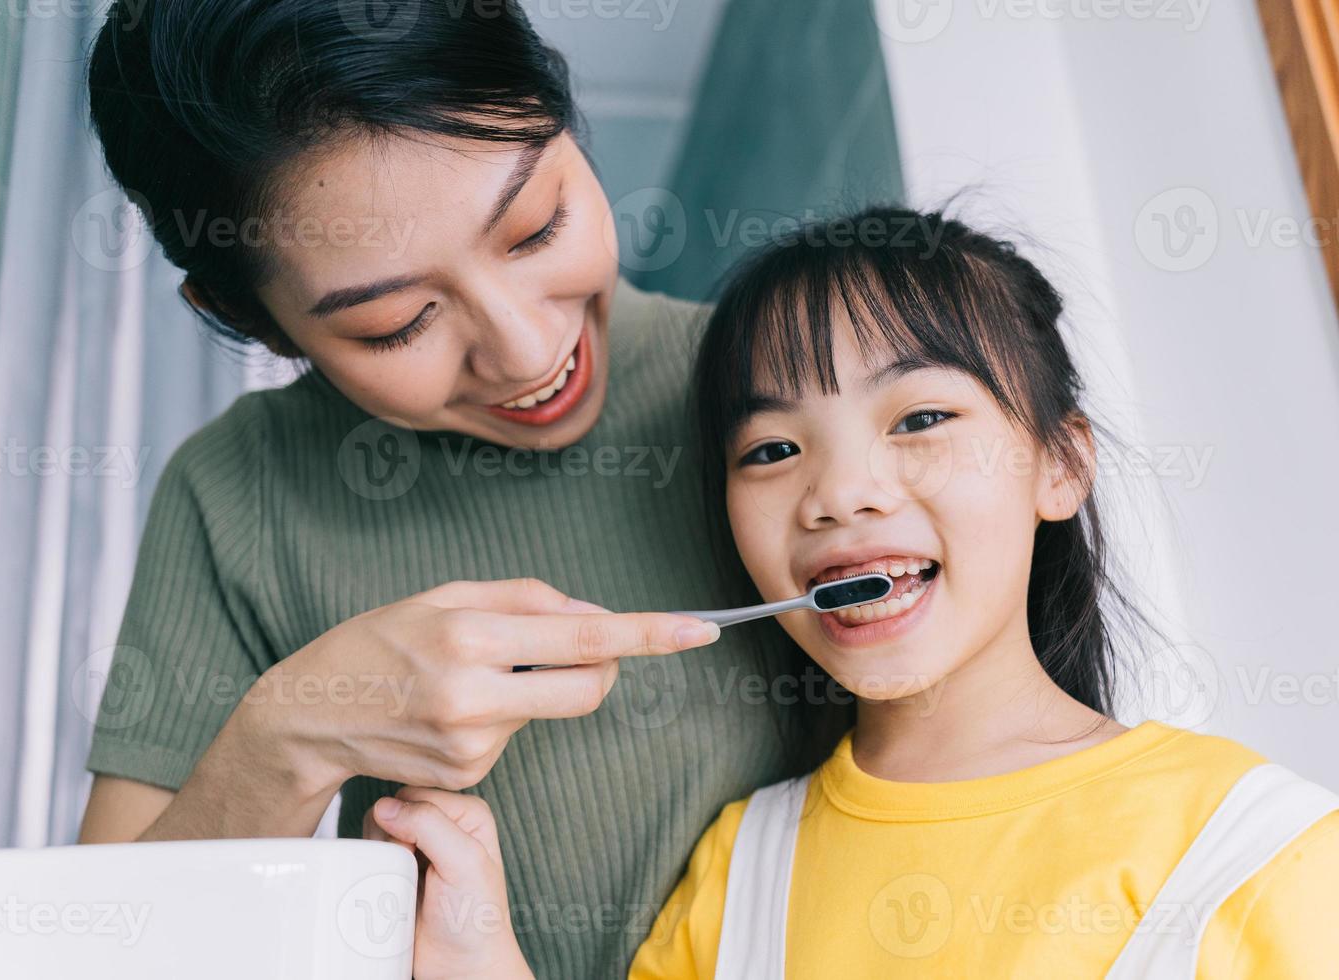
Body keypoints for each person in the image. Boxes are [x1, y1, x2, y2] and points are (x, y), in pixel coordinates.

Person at [374, 206, 1339, 977]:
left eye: (919, 418)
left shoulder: (1257, 847)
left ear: (1059, 461)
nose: (839, 493)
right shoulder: (745, 867)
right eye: (774, 447)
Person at [76, 2, 846, 975]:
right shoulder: (240, 491)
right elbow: (96, 948)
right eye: (399, 321)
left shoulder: (788, 390)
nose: (528, 347)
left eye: (536, 227)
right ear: (251, 320)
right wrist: (292, 729)